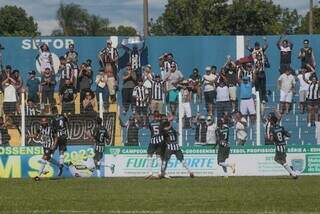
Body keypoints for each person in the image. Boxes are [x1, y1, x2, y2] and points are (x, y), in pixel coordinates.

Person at [269, 115, 298, 179]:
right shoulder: (281, 127)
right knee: (277, 159)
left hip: (278, 146)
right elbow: (289, 135)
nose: (269, 121)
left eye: (270, 120)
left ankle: (293, 174)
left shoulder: (272, 129)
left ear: (272, 121)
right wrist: (284, 138)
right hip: (284, 145)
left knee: (282, 161)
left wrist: (271, 138)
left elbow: (271, 139)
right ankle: (290, 169)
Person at [145, 111, 164, 179]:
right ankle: (159, 172)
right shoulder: (161, 123)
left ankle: (150, 172)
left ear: (153, 116)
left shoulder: (151, 123)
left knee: (149, 155)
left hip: (153, 141)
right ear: (158, 116)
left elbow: (151, 130)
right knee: (158, 156)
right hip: (160, 141)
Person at [51, 106, 69, 176]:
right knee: (61, 151)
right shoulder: (62, 116)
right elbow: (67, 121)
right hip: (64, 135)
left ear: (53, 112)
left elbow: (53, 129)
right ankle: (61, 166)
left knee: (52, 150)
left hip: (57, 136)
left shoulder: (53, 119)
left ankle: (47, 165)